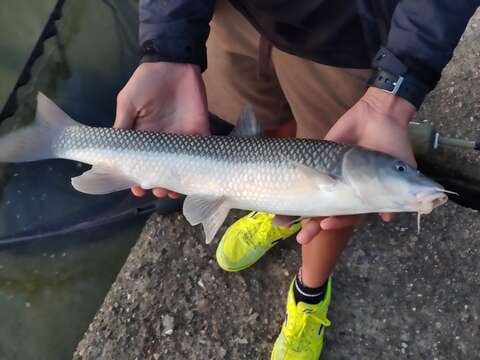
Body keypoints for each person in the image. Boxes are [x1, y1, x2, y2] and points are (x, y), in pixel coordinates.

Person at [114, 1, 479, 358]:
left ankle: (310, 292)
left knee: (333, 215)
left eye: (402, 170)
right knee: (262, 122)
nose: (405, 171)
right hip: (235, 16)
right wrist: (167, 42)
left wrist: (397, 85)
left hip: (347, 37)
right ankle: (270, 203)